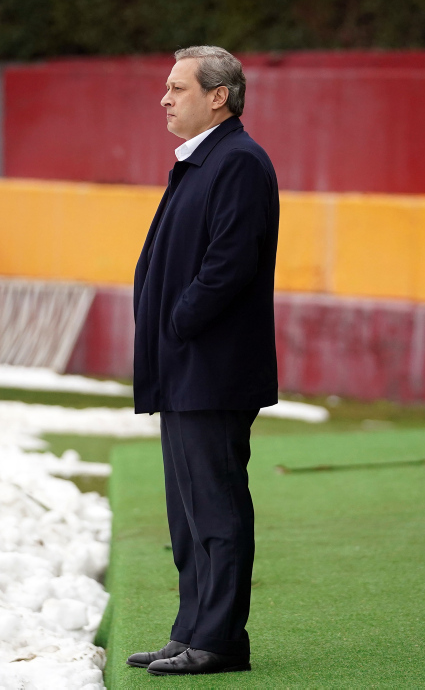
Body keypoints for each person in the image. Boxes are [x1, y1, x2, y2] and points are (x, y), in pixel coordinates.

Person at [127, 45, 279, 676]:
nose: (164, 99)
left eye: (177, 88)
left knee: (215, 508)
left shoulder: (239, 162)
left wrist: (180, 318)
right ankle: (191, 629)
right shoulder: (202, 160)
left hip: (211, 368)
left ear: (218, 96)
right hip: (185, 366)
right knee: (187, 516)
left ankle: (217, 641)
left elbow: (229, 263)